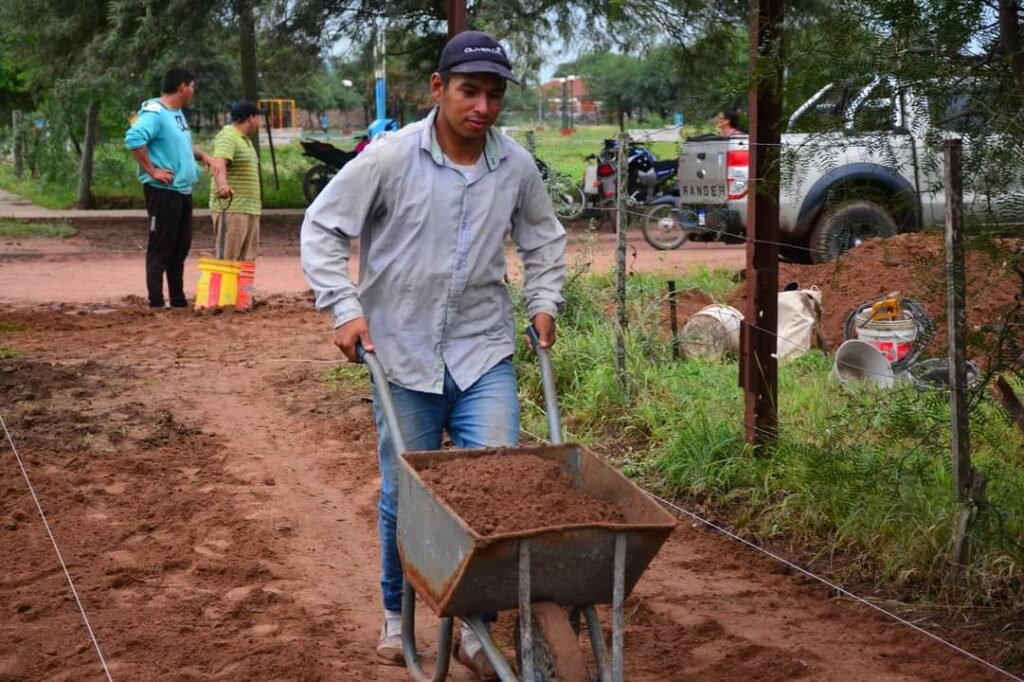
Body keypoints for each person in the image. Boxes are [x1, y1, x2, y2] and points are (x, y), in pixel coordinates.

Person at [300, 30, 566, 680]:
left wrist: (544, 302)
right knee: (407, 493)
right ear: (438, 89)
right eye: (469, 91)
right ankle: (398, 619)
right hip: (401, 353)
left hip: (482, 353)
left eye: (494, 95)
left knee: (494, 490)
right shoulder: (389, 159)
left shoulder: (516, 167)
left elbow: (543, 238)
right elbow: (322, 227)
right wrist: (345, 308)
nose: (482, 106)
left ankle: (475, 627)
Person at [125, 67, 213, 308]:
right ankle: (156, 300)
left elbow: (181, 147)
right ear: (183, 86)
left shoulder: (177, 113)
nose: (194, 91)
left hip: (183, 190)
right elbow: (134, 139)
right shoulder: (155, 112)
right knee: (161, 246)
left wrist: (202, 154)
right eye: (193, 86)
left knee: (180, 245)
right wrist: (152, 170)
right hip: (162, 191)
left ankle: (177, 299)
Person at [208, 101, 262, 261]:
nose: (260, 122)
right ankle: (225, 287)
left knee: (248, 259)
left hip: (250, 208)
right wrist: (222, 185)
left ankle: (243, 287)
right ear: (251, 118)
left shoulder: (245, 140)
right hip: (233, 208)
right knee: (228, 258)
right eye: (258, 117)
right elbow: (219, 163)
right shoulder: (228, 136)